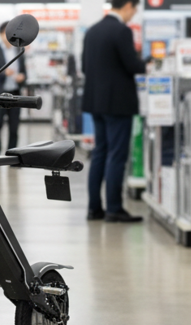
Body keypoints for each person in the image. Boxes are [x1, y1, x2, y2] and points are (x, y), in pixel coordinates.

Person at [81, 0, 146, 223]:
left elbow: (84, 67)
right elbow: (132, 65)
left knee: (100, 153)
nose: (133, 14)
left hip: (95, 102)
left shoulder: (92, 31)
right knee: (117, 155)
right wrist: (147, 64)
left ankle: (94, 208)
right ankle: (114, 209)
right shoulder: (122, 31)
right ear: (127, 5)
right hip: (118, 103)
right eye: (134, 9)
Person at [0, 21, 27, 156]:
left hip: (15, 94)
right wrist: (4, 72)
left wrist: (22, 77)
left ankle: (12, 155)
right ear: (0, 34)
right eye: (6, 33)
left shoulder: (19, 50)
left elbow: (24, 72)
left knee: (14, 127)